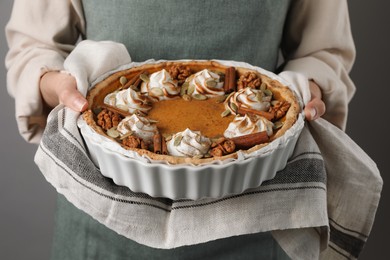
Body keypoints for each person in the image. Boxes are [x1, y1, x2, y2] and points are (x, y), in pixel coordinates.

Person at [5, 0, 356, 259]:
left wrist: (311, 86)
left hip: (254, 222)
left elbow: (321, 51)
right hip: (102, 223)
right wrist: (60, 85)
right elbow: (35, 46)